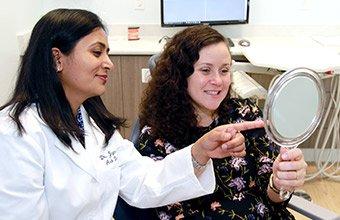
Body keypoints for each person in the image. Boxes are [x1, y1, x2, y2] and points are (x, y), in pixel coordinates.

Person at [0, 9, 265, 219]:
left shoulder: (92, 125)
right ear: (57, 59)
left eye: (107, 52)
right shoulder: (15, 134)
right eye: (96, 52)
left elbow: (143, 182)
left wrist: (200, 152)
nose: (109, 63)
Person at [136, 25, 307, 219]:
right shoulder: (157, 136)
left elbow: (273, 199)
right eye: (206, 70)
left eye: (224, 70)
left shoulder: (247, 115)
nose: (217, 80)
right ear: (181, 75)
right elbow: (167, 211)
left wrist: (280, 182)